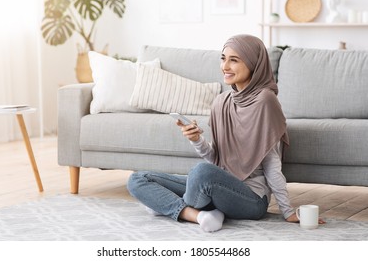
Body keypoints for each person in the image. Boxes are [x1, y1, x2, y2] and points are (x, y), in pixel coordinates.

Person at [127, 34, 323, 232]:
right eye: (223, 58)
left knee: (200, 172)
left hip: (251, 199)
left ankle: (169, 206)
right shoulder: (221, 101)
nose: (225, 66)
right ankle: (198, 215)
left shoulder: (265, 101)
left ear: (254, 64)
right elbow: (216, 159)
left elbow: (272, 164)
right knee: (138, 179)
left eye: (234, 60)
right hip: (216, 185)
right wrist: (196, 140)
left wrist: (287, 211)